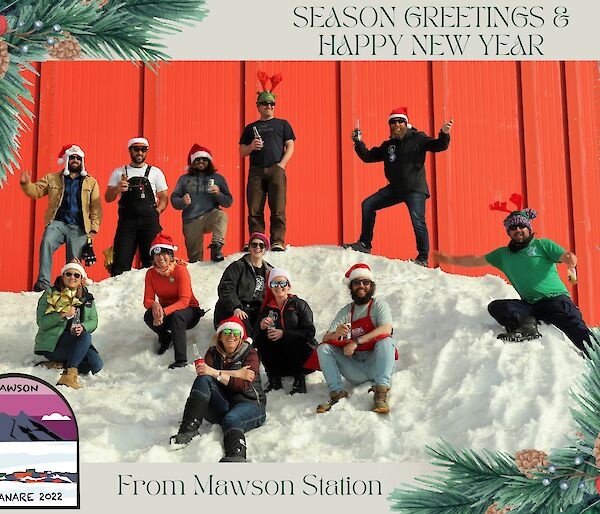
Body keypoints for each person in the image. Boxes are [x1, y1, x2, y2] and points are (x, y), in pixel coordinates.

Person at [435, 199, 596, 357]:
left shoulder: (543, 245)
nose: (518, 229)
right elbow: (476, 260)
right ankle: (527, 328)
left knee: (580, 334)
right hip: (530, 306)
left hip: (555, 301)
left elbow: (565, 257)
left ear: (528, 228)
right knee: (497, 307)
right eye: (513, 227)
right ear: (508, 232)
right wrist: (450, 260)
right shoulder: (503, 255)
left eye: (521, 226)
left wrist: (570, 259)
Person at [343, 107, 453, 267]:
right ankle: (365, 244)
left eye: (400, 121)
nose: (397, 125)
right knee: (368, 205)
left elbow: (439, 146)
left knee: (418, 221)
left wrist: (444, 133)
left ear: (406, 123)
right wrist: (358, 142)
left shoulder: (418, 138)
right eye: (393, 122)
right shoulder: (389, 146)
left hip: (414, 189)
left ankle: (422, 259)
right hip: (395, 189)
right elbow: (368, 157)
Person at [170, 316, 266, 462]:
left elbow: (244, 385)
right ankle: (188, 430)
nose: (231, 335)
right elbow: (205, 374)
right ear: (220, 336)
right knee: (203, 379)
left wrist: (215, 372)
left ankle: (236, 454)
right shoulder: (212, 353)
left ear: (241, 336)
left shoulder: (250, 353)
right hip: (223, 403)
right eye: (227, 331)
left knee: (231, 418)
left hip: (250, 404)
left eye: (236, 332)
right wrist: (237, 373)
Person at [313, 263, 396, 414]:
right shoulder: (346, 311)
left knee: (386, 340)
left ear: (372, 286)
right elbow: (326, 337)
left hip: (376, 365)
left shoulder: (379, 305)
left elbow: (386, 328)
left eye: (366, 282)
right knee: (323, 348)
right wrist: (336, 333)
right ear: (350, 287)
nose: (361, 286)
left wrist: (356, 342)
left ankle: (381, 393)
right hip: (355, 368)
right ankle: (337, 393)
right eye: (357, 282)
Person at [20, 144, 102, 291]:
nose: (75, 160)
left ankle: (71, 287)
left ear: (82, 161)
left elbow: (96, 208)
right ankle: (43, 283)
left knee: (74, 261)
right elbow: (36, 191)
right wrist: (26, 184)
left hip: (79, 225)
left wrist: (94, 229)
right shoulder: (52, 178)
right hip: (58, 222)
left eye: (78, 158)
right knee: (46, 242)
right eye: (72, 157)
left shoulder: (91, 182)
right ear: (66, 160)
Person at [239, 72, 295, 252]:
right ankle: (258, 241)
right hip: (256, 170)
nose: (269, 106)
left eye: (272, 104)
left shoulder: (283, 124)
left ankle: (278, 240)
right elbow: (241, 151)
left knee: (278, 207)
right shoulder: (250, 127)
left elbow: (290, 145)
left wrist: (282, 165)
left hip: (276, 169)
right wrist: (251, 147)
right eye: (265, 104)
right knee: (254, 208)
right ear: (258, 106)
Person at [34, 260, 103, 389]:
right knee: (85, 337)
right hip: (54, 344)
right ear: (63, 275)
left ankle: (60, 364)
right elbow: (42, 322)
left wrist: (83, 327)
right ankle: (68, 375)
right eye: (69, 274)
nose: (72, 277)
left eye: (76, 275)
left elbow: (93, 321)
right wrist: (61, 315)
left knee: (96, 365)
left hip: (76, 341)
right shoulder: (50, 294)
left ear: (81, 278)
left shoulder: (87, 298)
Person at [105, 137, 168, 276]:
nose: (140, 152)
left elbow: (164, 196)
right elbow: (108, 198)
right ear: (130, 151)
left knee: (152, 261)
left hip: (149, 221)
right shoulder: (119, 172)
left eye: (143, 149)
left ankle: (151, 294)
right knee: (121, 262)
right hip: (127, 222)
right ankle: (118, 294)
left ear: (146, 151)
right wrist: (117, 189)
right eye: (136, 149)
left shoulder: (155, 172)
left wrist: (157, 212)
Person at [143, 233, 204, 369]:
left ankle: (181, 360)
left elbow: (184, 301)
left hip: (189, 312)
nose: (160, 258)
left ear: (170, 255)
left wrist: (162, 313)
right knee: (148, 315)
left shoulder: (180, 271)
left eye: (164, 253)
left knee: (177, 316)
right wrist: (154, 304)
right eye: (157, 254)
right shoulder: (151, 274)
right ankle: (166, 338)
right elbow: (147, 300)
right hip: (166, 310)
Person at [254, 268, 317, 394]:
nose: (278, 287)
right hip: (280, 361)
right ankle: (274, 378)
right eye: (274, 283)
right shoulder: (267, 309)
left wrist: (285, 334)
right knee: (262, 339)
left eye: (282, 283)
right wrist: (260, 328)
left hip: (302, 359)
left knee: (293, 338)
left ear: (288, 286)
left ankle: (299, 379)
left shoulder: (299, 305)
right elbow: (255, 339)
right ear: (270, 287)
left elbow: (309, 332)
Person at [171, 144, 233, 263]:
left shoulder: (218, 178)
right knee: (195, 260)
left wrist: (218, 194)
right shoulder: (184, 179)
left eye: (204, 159)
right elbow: (174, 200)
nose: (201, 162)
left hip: (210, 215)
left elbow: (228, 202)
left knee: (221, 215)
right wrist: (182, 201)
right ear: (193, 162)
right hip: (191, 220)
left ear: (209, 161)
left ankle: (216, 246)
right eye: (197, 159)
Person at [213, 232, 273, 334]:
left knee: (269, 330)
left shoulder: (270, 271)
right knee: (246, 330)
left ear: (265, 249)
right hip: (233, 310)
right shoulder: (237, 266)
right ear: (249, 247)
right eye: (254, 244)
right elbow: (226, 289)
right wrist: (236, 307)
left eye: (261, 245)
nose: (257, 247)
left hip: (256, 311)